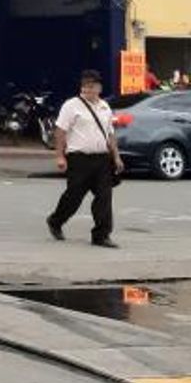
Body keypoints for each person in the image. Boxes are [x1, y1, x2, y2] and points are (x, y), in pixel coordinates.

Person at [47, 69, 123, 248]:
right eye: (85, 86)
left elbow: (110, 134)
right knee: (74, 197)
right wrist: (60, 156)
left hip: (102, 159)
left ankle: (101, 235)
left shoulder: (105, 107)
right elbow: (60, 132)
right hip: (79, 159)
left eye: (92, 86)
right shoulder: (71, 105)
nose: (88, 90)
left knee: (104, 197)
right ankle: (56, 221)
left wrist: (116, 157)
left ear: (99, 87)